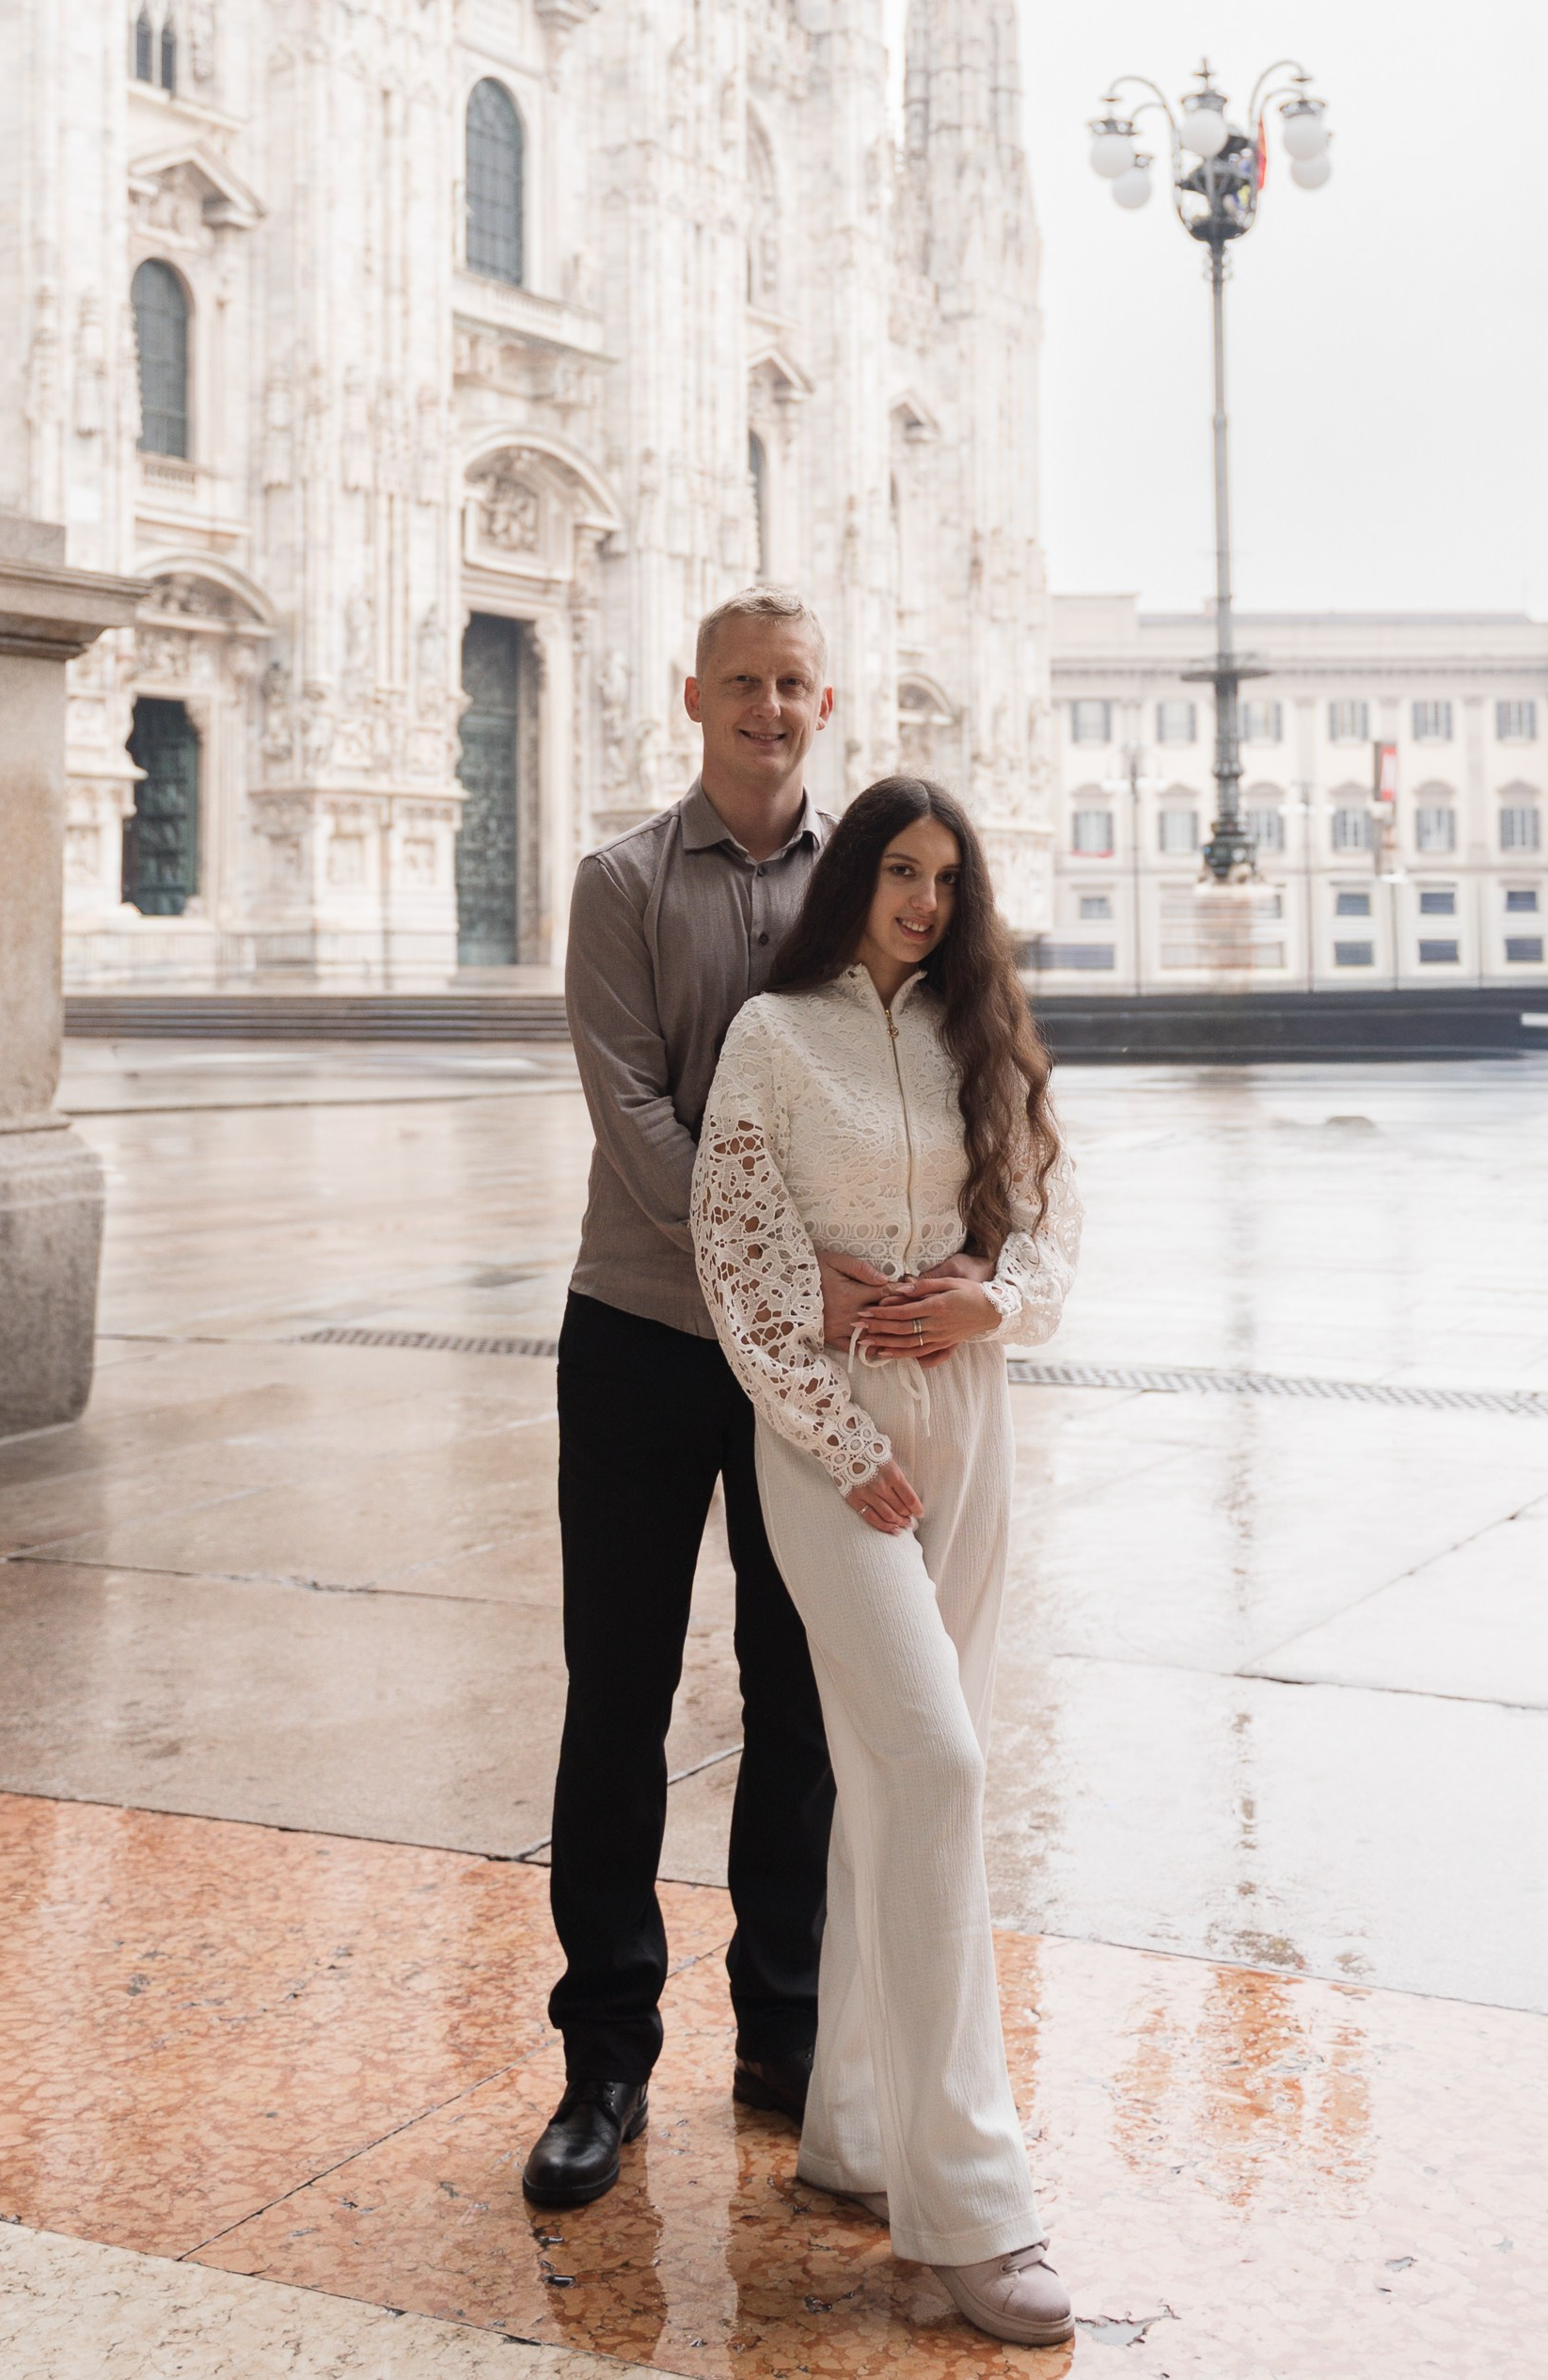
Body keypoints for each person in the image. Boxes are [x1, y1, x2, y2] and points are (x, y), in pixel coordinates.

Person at [523, 591, 989, 2211]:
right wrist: (790, 1270)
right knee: (620, 1695)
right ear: (694, 697)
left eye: (794, 684)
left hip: (822, 1366)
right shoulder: (617, 885)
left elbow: (940, 1078)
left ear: (824, 699)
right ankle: (605, 2059)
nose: (769, 708)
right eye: (743, 683)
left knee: (800, 1699)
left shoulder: (868, 881)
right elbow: (636, 1110)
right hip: (647, 1335)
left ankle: (783, 2031)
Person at [690, 776, 1082, 2347]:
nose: (923, 898)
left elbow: (1052, 1218)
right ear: (850, 876)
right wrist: (847, 1438)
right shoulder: (774, 1038)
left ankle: (853, 2126)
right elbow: (735, 1251)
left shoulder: (983, 1037)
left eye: (946, 876)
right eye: (899, 870)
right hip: (833, 1443)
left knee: (894, 1780)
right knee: (936, 1762)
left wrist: (1001, 1302)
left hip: (974, 1423)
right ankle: (970, 2209)